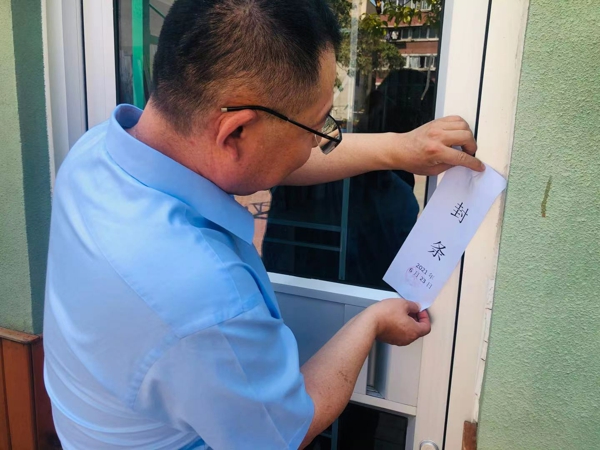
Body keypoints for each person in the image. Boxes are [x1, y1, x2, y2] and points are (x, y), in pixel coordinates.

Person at [43, 1, 483, 449]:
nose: (315, 146)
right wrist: (369, 322)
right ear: (235, 133)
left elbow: (268, 157)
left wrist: (398, 148)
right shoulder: (204, 300)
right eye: (315, 128)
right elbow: (288, 430)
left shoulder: (97, 153)